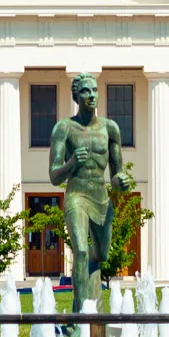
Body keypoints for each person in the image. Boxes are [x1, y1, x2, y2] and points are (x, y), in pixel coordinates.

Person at [48, 73, 132, 320]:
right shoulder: (64, 129)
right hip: (76, 196)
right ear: (76, 96)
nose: (92, 95)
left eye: (95, 90)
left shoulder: (110, 129)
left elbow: (117, 173)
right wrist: (71, 163)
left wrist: (122, 182)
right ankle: (79, 318)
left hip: (101, 199)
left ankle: (91, 307)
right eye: (86, 91)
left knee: (101, 256)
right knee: (82, 252)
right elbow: (54, 176)